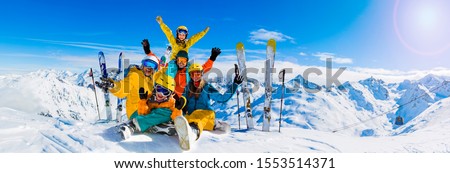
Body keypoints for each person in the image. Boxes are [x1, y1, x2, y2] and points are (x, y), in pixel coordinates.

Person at [96, 42, 160, 120]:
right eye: (147, 64)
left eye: (152, 66)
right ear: (142, 65)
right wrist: (113, 85)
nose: (148, 68)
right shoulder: (135, 76)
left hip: (147, 110)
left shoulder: (153, 80)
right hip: (136, 112)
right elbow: (123, 89)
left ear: (155, 69)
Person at [181, 63, 243, 141]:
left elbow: (223, 98)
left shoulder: (207, 87)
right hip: (192, 115)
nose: (195, 76)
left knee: (198, 119)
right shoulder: (187, 88)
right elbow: (183, 101)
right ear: (190, 75)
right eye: (192, 74)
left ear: (201, 74)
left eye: (198, 73)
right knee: (187, 118)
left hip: (206, 114)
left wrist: (235, 84)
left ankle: (194, 132)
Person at [119, 73, 187, 141]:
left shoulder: (172, 102)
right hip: (150, 119)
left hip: (164, 118)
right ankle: (157, 127)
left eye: (165, 92)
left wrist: (178, 109)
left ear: (170, 95)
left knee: (165, 112)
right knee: (137, 113)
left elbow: (176, 118)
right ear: (155, 88)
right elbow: (143, 113)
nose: (161, 94)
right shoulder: (149, 98)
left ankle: (133, 125)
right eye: (159, 89)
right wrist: (143, 102)